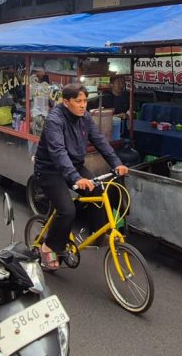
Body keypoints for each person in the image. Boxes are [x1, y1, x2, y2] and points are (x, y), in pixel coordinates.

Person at [33, 83, 129, 271]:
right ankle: (48, 246)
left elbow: (100, 140)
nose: (83, 105)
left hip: (74, 165)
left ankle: (97, 234)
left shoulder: (84, 117)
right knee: (67, 211)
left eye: (85, 101)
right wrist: (76, 178)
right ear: (66, 102)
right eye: (78, 101)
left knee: (99, 192)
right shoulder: (55, 120)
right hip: (50, 170)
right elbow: (58, 152)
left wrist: (116, 163)